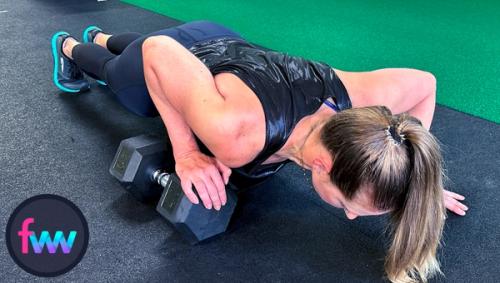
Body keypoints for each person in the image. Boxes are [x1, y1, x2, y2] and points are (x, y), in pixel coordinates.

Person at [51, 21, 467, 282]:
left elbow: (425, 83)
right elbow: (160, 53)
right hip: (183, 57)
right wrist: (186, 154)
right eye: (347, 204)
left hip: (221, 43)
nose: (351, 215)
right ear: (322, 165)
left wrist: (412, 176)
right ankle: (72, 46)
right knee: (123, 80)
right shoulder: (237, 137)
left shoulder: (363, 108)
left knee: (150, 46)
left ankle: (103, 35)